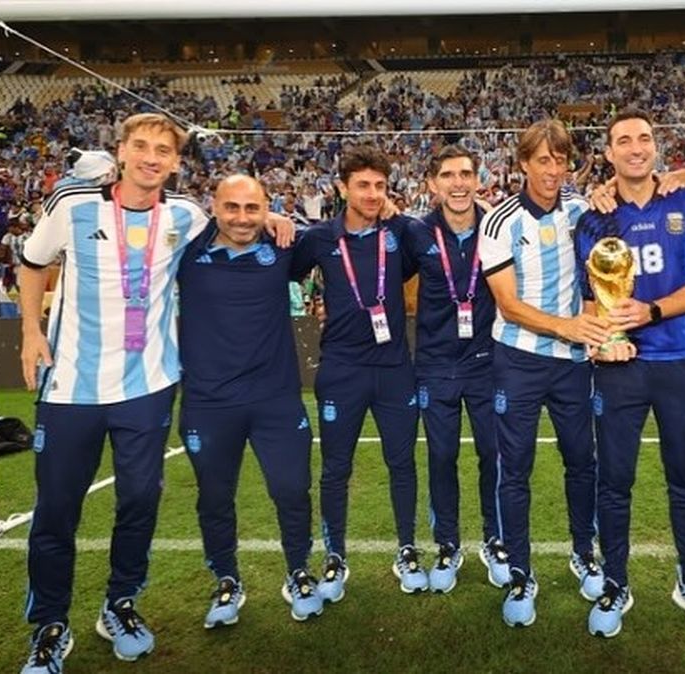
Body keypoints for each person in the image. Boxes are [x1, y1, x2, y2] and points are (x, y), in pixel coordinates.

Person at [16, 113, 211, 674]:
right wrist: (30, 330)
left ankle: (119, 604)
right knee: (56, 510)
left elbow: (232, 223)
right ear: (122, 151)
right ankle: (51, 624)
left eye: (164, 151)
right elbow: (32, 266)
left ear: (176, 163)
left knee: (139, 502)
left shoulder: (185, 215)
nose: (152, 157)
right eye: (142, 146)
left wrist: (271, 213)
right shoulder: (72, 205)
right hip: (70, 387)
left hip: (148, 387)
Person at [575, 110, 685, 639]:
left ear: (655, 148)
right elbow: (588, 298)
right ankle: (616, 582)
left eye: (644, 139)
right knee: (614, 481)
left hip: (681, 361)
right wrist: (603, 337)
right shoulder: (593, 216)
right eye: (623, 141)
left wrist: (652, 311)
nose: (636, 148)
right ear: (609, 153)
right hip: (621, 368)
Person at [175, 174, 322, 626]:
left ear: (267, 209)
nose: (242, 217)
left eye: (253, 208)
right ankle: (226, 580)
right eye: (232, 207)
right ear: (213, 208)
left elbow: (338, 240)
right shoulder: (185, 250)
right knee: (215, 498)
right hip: (208, 402)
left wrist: (281, 219)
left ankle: (299, 571)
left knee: (292, 491)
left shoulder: (283, 247)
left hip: (274, 399)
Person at [478, 119, 608, 628]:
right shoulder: (500, 222)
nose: (552, 170)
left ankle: (583, 553)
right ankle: (520, 573)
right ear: (523, 164)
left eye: (560, 160)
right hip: (519, 361)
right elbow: (509, 307)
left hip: (573, 365)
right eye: (542, 160)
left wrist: (591, 331)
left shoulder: (582, 211)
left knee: (582, 462)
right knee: (516, 469)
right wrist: (571, 328)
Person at [290, 145, 429, 602]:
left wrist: (399, 213)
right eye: (363, 185)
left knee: (402, 463)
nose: (372, 194)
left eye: (380, 186)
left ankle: (407, 550)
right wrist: (276, 222)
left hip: (393, 369)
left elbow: (436, 232)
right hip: (341, 370)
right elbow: (283, 267)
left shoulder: (400, 233)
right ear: (342, 187)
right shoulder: (319, 238)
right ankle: (335, 556)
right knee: (335, 468)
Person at [403, 145, 508, 593]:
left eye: (466, 173)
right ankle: (448, 543)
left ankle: (496, 539)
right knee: (442, 457)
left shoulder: (497, 226)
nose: (459, 183)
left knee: (493, 455)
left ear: (478, 178)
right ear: (433, 183)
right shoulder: (416, 233)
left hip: (487, 362)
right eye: (448, 175)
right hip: (435, 364)